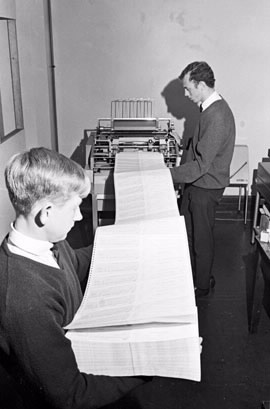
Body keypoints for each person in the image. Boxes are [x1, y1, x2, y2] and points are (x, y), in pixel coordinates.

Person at [0, 147, 147, 409]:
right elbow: (71, 396)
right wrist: (150, 368)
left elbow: (74, 264)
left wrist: (120, 242)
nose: (79, 217)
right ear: (45, 212)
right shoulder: (25, 300)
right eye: (75, 208)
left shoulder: (46, 241)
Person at [170, 61, 235, 298]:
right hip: (198, 185)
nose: (186, 94)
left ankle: (202, 286)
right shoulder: (208, 109)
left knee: (201, 238)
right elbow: (199, 151)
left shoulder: (216, 115)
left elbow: (200, 165)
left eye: (188, 88)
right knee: (189, 232)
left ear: (200, 84)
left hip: (205, 187)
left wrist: (167, 175)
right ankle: (200, 275)